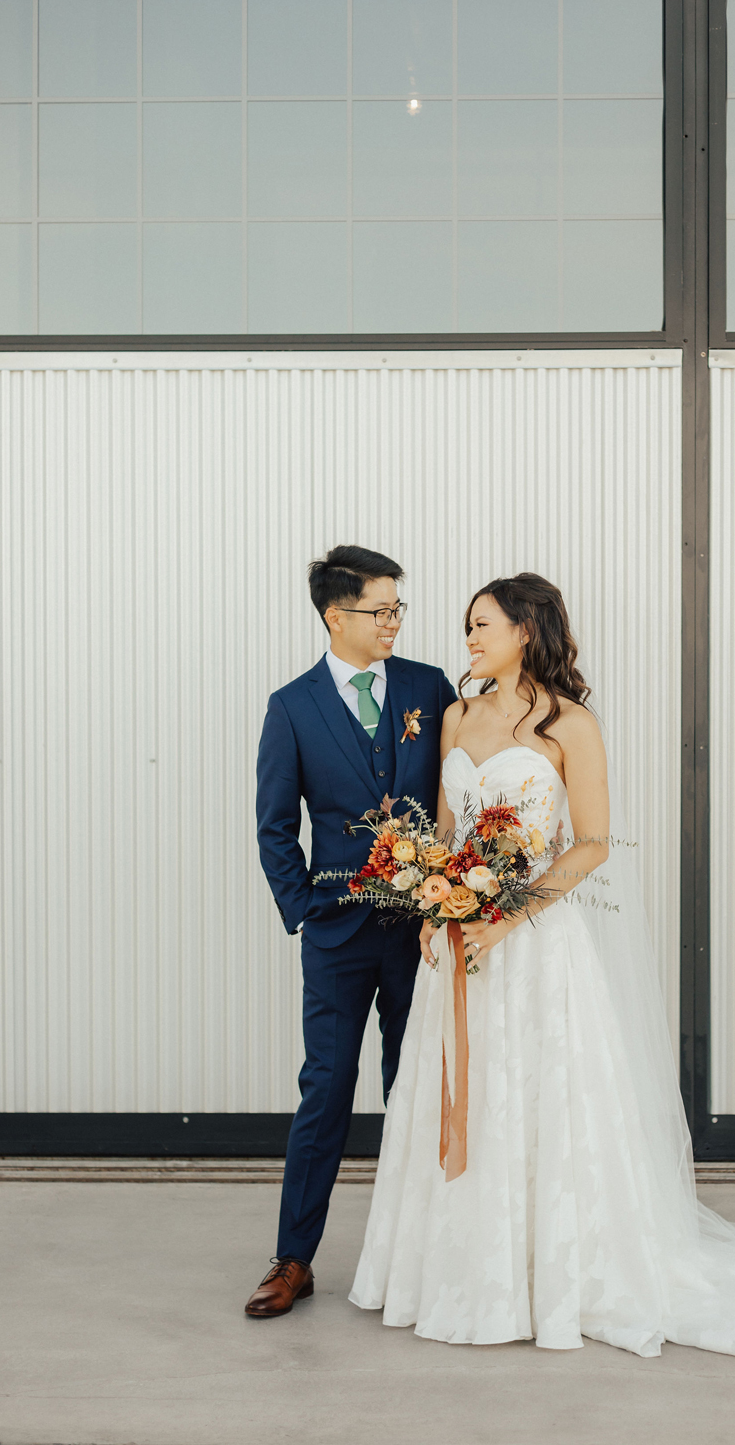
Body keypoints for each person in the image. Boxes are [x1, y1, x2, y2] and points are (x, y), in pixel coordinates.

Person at [351, 572, 735, 1367]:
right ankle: (463, 1276)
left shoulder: (570, 723)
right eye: (468, 625)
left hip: (535, 946)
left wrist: (507, 915)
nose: (469, 637)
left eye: (482, 624)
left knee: (540, 1101)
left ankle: (553, 1276)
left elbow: (590, 843)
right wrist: (436, 906)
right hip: (459, 945)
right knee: (470, 1098)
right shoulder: (455, 714)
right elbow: (449, 832)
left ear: (525, 630)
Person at [245, 545, 456, 1318]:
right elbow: (275, 825)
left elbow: (456, 790)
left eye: (399, 607)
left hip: (423, 931)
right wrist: (304, 906)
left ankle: (426, 1251)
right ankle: (293, 1257)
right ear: (337, 616)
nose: (394, 620)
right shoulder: (291, 706)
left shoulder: (429, 687)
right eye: (381, 609)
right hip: (336, 933)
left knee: (417, 1085)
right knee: (327, 1088)